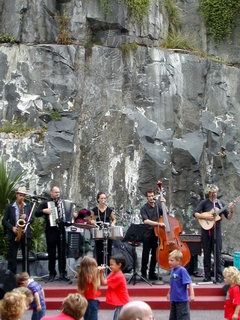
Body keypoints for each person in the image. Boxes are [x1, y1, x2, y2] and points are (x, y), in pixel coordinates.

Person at [193, 184, 235, 282]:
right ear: (209, 193)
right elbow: (195, 213)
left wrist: (232, 210)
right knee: (207, 253)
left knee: (217, 253)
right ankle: (207, 276)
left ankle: (218, 276)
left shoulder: (220, 203)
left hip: (217, 231)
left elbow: (228, 217)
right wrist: (206, 217)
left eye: (215, 192)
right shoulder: (204, 203)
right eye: (212, 192)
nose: (214, 194)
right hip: (206, 231)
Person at [35, 186, 69, 282]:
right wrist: (44, 211)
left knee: (62, 252)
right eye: (56, 192)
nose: (57, 194)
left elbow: (67, 214)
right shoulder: (46, 203)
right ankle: (52, 273)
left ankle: (62, 273)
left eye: (58, 192)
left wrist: (72, 216)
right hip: (51, 230)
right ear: (51, 193)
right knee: (52, 253)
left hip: (61, 230)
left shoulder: (63, 203)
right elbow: (36, 213)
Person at [2, 186, 32, 274]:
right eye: (20, 195)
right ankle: (12, 276)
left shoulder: (27, 206)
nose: (22, 197)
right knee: (12, 256)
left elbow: (32, 219)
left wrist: (26, 217)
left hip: (25, 233)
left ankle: (26, 276)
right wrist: (12, 228)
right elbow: (4, 221)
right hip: (14, 233)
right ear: (16, 195)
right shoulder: (10, 206)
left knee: (25, 256)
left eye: (23, 195)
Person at [140, 186, 165, 280]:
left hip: (157, 234)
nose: (151, 198)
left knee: (155, 254)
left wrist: (163, 203)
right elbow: (145, 221)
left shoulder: (158, 206)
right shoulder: (144, 208)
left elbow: (165, 214)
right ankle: (143, 273)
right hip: (147, 234)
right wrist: (157, 224)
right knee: (145, 254)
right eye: (149, 196)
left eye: (152, 196)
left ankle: (152, 273)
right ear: (147, 198)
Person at [100, 254, 130, 320]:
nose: (110, 266)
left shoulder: (118, 276)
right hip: (122, 302)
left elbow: (104, 283)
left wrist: (101, 273)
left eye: (112, 264)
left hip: (122, 302)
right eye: (110, 264)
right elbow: (105, 281)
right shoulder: (114, 272)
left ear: (119, 265)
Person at [166, 250, 195, 320]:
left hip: (182, 300)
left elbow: (189, 282)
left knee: (183, 317)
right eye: (169, 260)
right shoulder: (172, 270)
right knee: (173, 317)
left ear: (178, 261)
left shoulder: (182, 270)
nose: (169, 262)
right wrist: (169, 293)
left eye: (171, 260)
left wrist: (192, 294)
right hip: (174, 299)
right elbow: (172, 284)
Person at [90, 192, 116, 266]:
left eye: (104, 198)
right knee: (99, 251)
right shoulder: (94, 210)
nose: (103, 200)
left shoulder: (109, 210)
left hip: (108, 232)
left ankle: (108, 270)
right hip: (98, 232)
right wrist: (93, 221)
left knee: (108, 251)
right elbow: (91, 219)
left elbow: (114, 219)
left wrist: (113, 223)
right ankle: (99, 269)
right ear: (98, 199)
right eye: (101, 198)